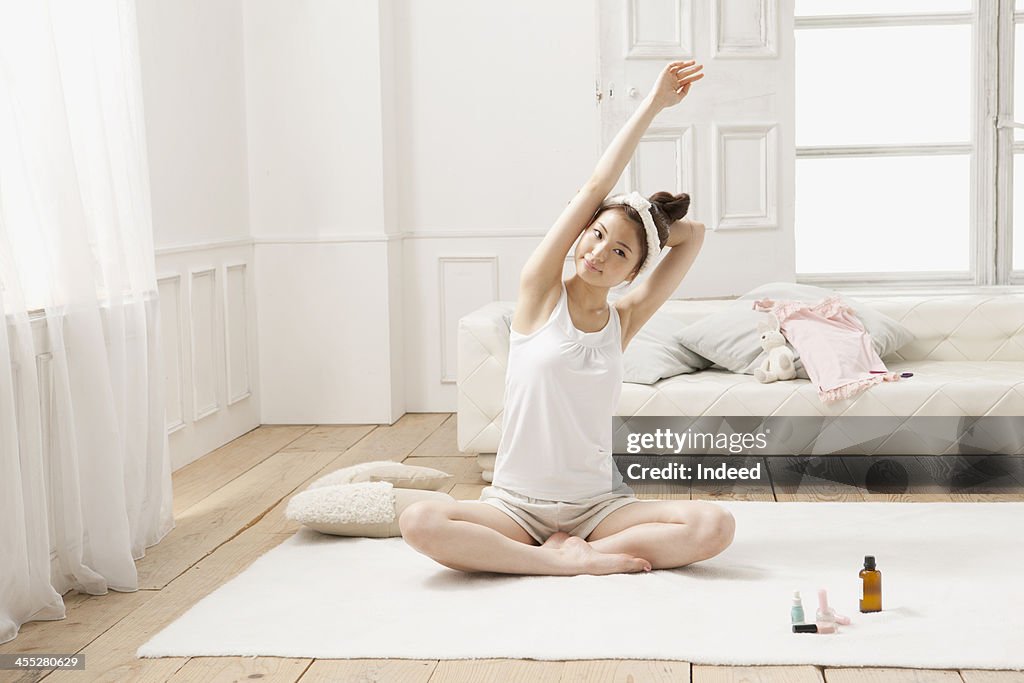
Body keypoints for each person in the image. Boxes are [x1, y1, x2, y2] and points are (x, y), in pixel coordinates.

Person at [400, 60, 735, 576]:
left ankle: (566, 556)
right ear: (582, 231)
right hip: (514, 506)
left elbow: (697, 234)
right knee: (420, 520)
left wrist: (651, 223)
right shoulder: (540, 294)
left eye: (621, 254)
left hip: (601, 507)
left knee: (715, 525)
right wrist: (654, 105)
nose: (600, 253)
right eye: (597, 234)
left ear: (632, 273)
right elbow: (594, 186)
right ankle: (563, 564)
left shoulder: (624, 317)